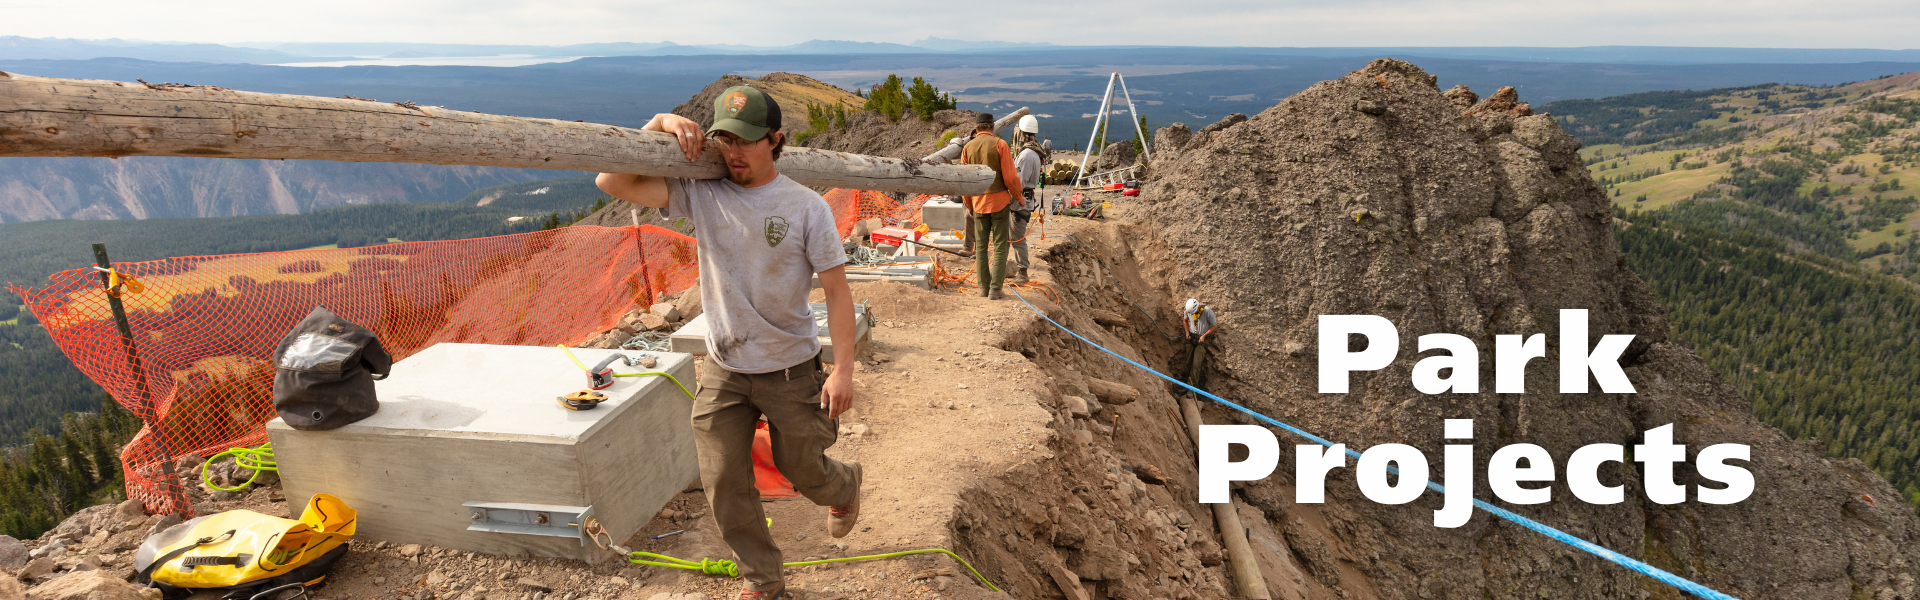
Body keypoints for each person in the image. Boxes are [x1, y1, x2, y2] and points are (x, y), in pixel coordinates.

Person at [595, 85, 862, 600]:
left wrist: (843, 368)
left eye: (745, 141)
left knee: (802, 470)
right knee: (723, 483)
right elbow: (612, 180)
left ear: (775, 140)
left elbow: (836, 291)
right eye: (723, 139)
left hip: (789, 367)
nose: (732, 152)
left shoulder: (806, 207)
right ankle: (764, 582)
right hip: (724, 367)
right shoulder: (703, 190)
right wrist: (659, 120)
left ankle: (843, 487)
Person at [959, 112, 1026, 300]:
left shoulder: (967, 148)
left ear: (977, 127)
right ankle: (996, 289)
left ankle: (983, 287)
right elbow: (1011, 177)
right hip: (1000, 202)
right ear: (992, 126)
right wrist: (1019, 198)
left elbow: (965, 181)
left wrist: (969, 205)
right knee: (1000, 246)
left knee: (980, 247)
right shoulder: (1000, 144)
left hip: (978, 203)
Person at [1010, 115, 1049, 285]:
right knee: (1012, 236)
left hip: (1019, 203)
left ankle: (1022, 272)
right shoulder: (1033, 152)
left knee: (1017, 238)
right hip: (1023, 200)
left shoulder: (1026, 155)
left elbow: (1019, 182)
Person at [1183, 298, 1218, 392]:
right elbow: (1185, 321)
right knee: (1188, 362)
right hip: (1191, 336)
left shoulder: (1207, 311)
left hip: (1202, 339)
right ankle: (1185, 384)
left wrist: (1204, 336)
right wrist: (1187, 333)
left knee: (1196, 364)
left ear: (1198, 306)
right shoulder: (1188, 310)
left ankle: (1192, 388)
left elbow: (1214, 326)